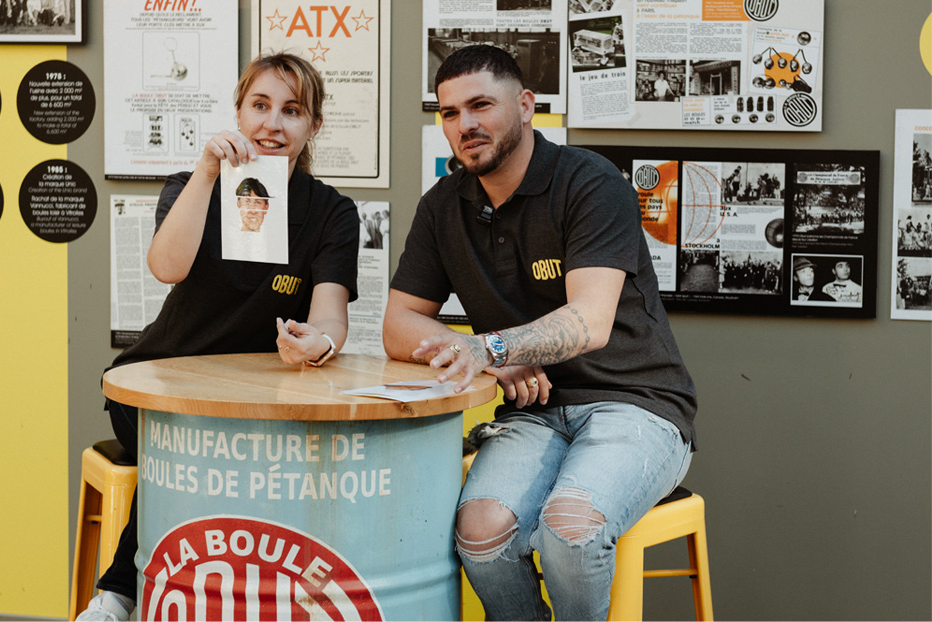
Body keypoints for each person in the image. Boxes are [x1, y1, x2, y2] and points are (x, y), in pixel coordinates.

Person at [382, 44, 696, 621]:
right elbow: (398, 325)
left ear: (525, 105)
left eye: (481, 105)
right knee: (479, 533)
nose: (465, 125)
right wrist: (496, 362)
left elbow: (588, 321)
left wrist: (489, 346)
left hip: (636, 405)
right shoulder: (442, 206)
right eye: (449, 112)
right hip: (532, 413)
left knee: (570, 532)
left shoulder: (589, 182)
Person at [77, 52, 359, 621]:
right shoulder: (192, 186)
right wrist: (207, 172)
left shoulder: (333, 212)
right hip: (154, 386)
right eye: (259, 106)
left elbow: (332, 319)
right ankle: (120, 597)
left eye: (292, 110)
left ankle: (139, 598)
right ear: (238, 110)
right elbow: (166, 267)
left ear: (314, 126)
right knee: (206, 455)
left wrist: (317, 344)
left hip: (258, 404)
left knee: (234, 459)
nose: (272, 125)